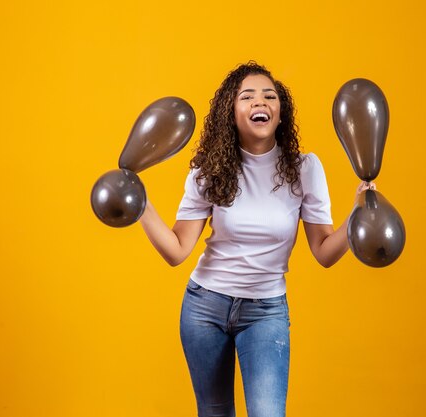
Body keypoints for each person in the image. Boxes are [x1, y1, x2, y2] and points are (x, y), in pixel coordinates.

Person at [138, 61, 375, 417]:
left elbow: (325, 252)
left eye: (269, 96)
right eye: (247, 97)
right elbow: (176, 251)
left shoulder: (304, 169)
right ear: (231, 114)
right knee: (214, 411)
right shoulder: (209, 171)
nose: (259, 102)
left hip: (265, 312)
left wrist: (359, 211)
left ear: (281, 113)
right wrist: (138, 204)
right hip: (205, 307)